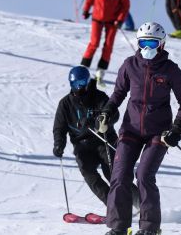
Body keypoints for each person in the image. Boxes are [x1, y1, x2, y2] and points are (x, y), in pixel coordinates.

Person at [100, 22, 181, 235]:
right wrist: (106, 112)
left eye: (152, 42)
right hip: (130, 130)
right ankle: (118, 227)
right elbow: (118, 94)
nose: (147, 47)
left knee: (144, 175)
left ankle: (150, 229)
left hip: (158, 133)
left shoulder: (171, 70)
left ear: (161, 44)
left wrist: (177, 129)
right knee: (120, 175)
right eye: (143, 42)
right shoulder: (129, 65)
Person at [53, 66, 139, 206]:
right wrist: (59, 144)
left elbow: (113, 114)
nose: (79, 87)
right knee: (88, 173)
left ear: (87, 82)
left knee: (113, 174)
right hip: (82, 145)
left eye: (82, 83)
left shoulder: (99, 97)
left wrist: (97, 120)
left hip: (103, 140)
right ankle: (113, 206)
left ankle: (140, 203)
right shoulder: (65, 104)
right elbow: (59, 128)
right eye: (75, 84)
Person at [80, 0, 130, 85]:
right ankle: (84, 67)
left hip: (112, 21)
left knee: (108, 46)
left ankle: (100, 71)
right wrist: (86, 10)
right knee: (94, 43)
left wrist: (120, 20)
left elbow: (125, 5)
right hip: (97, 18)